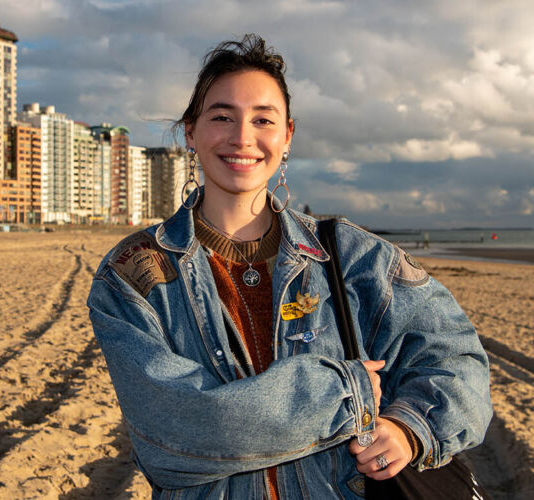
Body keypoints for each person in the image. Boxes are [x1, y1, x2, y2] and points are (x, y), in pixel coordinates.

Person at [87, 34, 491, 499]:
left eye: (263, 119)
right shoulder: (136, 273)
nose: (242, 137)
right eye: (222, 117)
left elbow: (456, 359)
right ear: (190, 133)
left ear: (287, 136)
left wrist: (410, 428)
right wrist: (348, 394)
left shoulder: (354, 257)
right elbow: (173, 436)